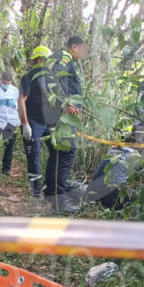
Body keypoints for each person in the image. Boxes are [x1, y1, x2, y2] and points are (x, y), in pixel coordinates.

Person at [45, 36, 89, 213]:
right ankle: (59, 202)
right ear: (74, 46)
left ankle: (50, 195)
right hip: (62, 118)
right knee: (65, 156)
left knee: (57, 157)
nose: (83, 54)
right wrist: (66, 103)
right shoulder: (64, 57)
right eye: (83, 50)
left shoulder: (62, 58)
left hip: (57, 115)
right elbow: (54, 77)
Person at [19, 46, 52, 199]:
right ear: (40, 60)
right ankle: (35, 189)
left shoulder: (51, 78)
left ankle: (51, 185)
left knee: (57, 152)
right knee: (34, 154)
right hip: (33, 122)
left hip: (49, 122)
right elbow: (21, 100)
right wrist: (25, 123)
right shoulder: (28, 77)